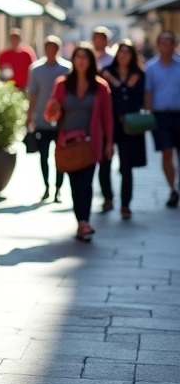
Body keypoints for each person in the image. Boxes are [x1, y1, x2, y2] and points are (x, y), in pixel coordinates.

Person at [43, 43, 113, 242]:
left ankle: (84, 222)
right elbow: (51, 114)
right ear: (73, 60)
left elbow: (107, 117)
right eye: (78, 56)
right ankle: (81, 221)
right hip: (69, 143)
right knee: (75, 184)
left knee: (87, 183)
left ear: (91, 61)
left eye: (85, 56)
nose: (81, 60)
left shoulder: (100, 87)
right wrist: (53, 107)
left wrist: (109, 143)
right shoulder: (63, 84)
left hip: (91, 142)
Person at [99, 41, 148, 219]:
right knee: (104, 162)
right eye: (121, 52)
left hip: (130, 125)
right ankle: (107, 198)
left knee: (126, 166)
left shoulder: (139, 74)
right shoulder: (106, 72)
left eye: (128, 52)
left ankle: (125, 203)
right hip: (109, 123)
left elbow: (141, 98)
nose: (123, 55)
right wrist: (116, 81)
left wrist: (124, 85)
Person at [26, 36, 73, 203]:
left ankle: (58, 188)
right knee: (43, 155)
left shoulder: (67, 69)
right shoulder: (36, 69)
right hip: (42, 120)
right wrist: (29, 116)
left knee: (60, 155)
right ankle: (46, 186)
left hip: (61, 121)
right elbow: (33, 94)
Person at [144, 30, 180, 208]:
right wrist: (148, 116)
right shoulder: (151, 67)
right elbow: (148, 92)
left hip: (178, 114)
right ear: (158, 45)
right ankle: (172, 189)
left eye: (170, 43)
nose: (167, 47)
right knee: (167, 152)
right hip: (161, 116)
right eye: (163, 43)